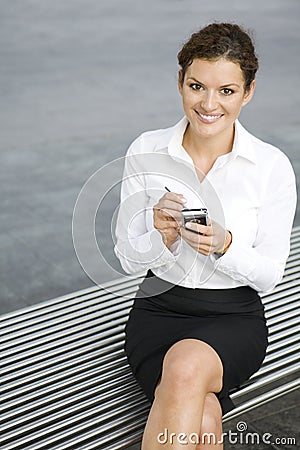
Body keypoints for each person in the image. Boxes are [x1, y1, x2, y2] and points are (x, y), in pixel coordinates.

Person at [114, 23, 297, 450]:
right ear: (180, 82)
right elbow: (126, 258)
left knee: (184, 369)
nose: (209, 104)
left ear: (248, 92)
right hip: (158, 311)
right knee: (205, 414)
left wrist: (225, 245)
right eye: (197, 86)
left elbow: (270, 275)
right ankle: (206, 403)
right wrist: (158, 236)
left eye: (227, 91)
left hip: (233, 318)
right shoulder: (147, 149)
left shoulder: (271, 166)